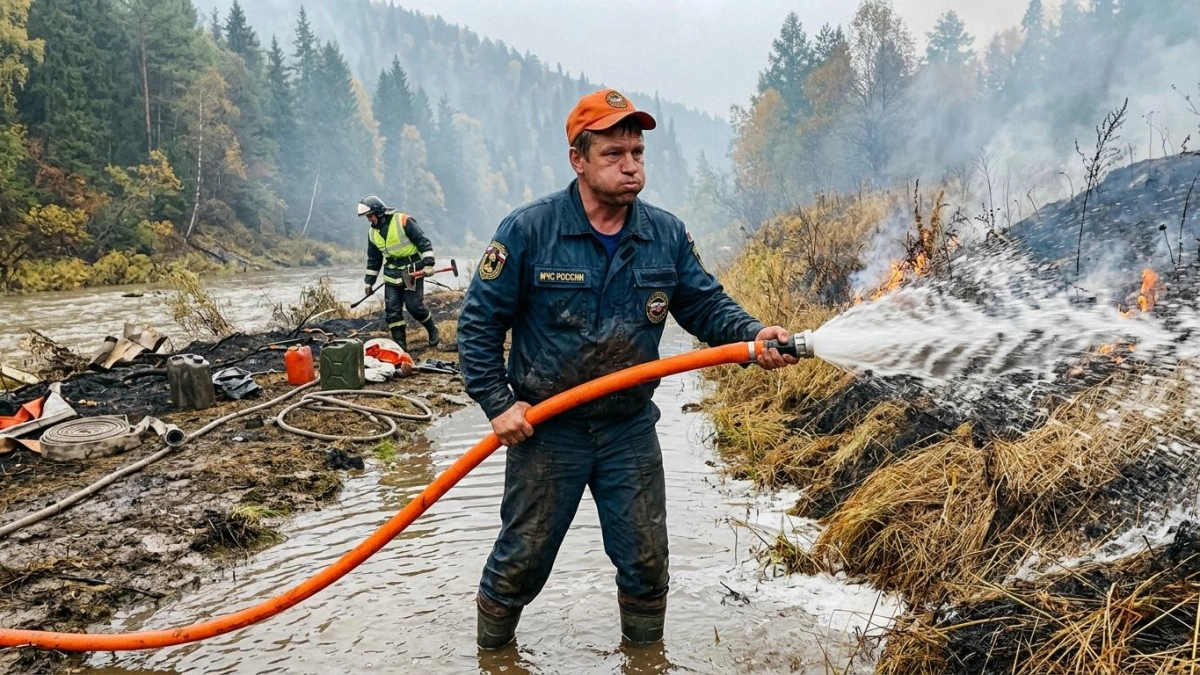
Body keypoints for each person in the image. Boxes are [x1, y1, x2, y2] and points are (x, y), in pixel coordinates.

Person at [457, 88, 798, 650]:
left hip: (628, 430)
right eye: (614, 153)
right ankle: (492, 657)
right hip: (547, 430)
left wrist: (753, 335)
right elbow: (477, 328)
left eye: (637, 152)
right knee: (521, 563)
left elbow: (706, 305)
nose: (631, 165)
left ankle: (645, 660)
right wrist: (498, 404)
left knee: (645, 563)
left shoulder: (663, 233)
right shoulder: (528, 231)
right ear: (578, 159)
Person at [358, 194, 439, 351]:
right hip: (391, 274)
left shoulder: (403, 220)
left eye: (370, 216)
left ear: (379, 212)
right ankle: (401, 347)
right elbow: (374, 259)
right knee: (392, 312)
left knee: (414, 306)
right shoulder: (372, 233)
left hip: (412, 270)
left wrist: (429, 264)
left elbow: (423, 242)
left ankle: (431, 329)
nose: (369, 219)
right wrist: (369, 281)